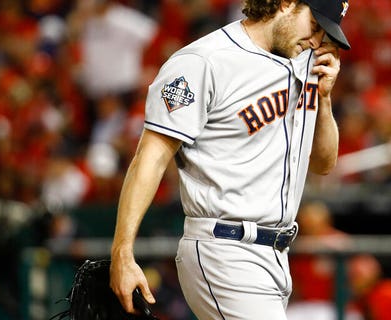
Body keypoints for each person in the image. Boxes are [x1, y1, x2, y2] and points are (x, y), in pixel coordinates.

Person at [109, 0, 351, 318]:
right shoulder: (203, 62)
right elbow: (150, 158)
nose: (318, 41)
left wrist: (325, 97)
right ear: (286, 4)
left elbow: (323, 163)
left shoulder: (306, 61)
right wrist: (122, 253)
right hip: (223, 247)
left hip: (276, 254)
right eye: (316, 26)